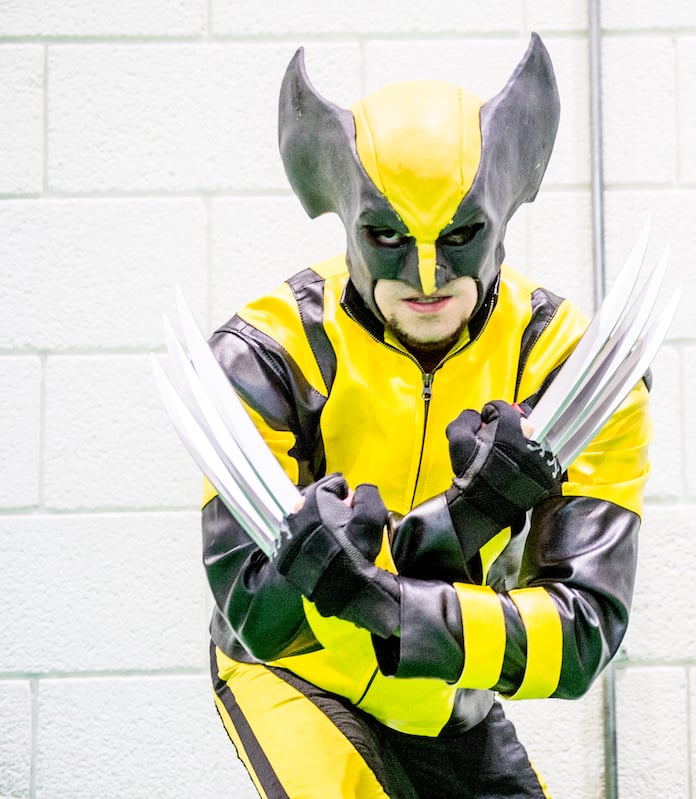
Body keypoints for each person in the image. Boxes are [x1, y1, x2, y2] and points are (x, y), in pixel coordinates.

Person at [202, 34, 652, 798]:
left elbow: (584, 634)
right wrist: (461, 521)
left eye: (458, 237)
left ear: (499, 215)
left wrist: (385, 596)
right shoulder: (268, 352)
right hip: (299, 676)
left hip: (450, 695)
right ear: (346, 218)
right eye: (388, 238)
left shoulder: (570, 366)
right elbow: (257, 614)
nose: (427, 278)